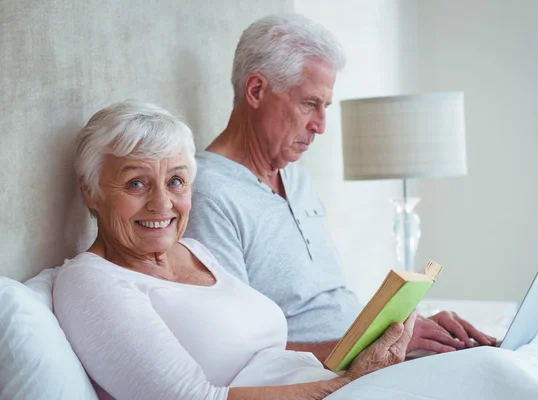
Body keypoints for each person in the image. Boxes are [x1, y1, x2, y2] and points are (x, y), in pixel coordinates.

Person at [52, 100, 418, 400]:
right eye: (136, 183)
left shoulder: (196, 250)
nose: (162, 203)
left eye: (176, 180)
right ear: (91, 191)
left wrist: (362, 349)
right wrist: (350, 385)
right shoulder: (89, 280)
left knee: (474, 364)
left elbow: (267, 356)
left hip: (333, 385)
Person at [185, 13, 496, 363]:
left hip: (368, 361)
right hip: (322, 379)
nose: (320, 125)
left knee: (493, 359)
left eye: (325, 106)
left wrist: (403, 330)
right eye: (309, 103)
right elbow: (236, 353)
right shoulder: (208, 194)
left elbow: (327, 303)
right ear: (256, 90)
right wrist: (373, 347)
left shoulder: (295, 176)